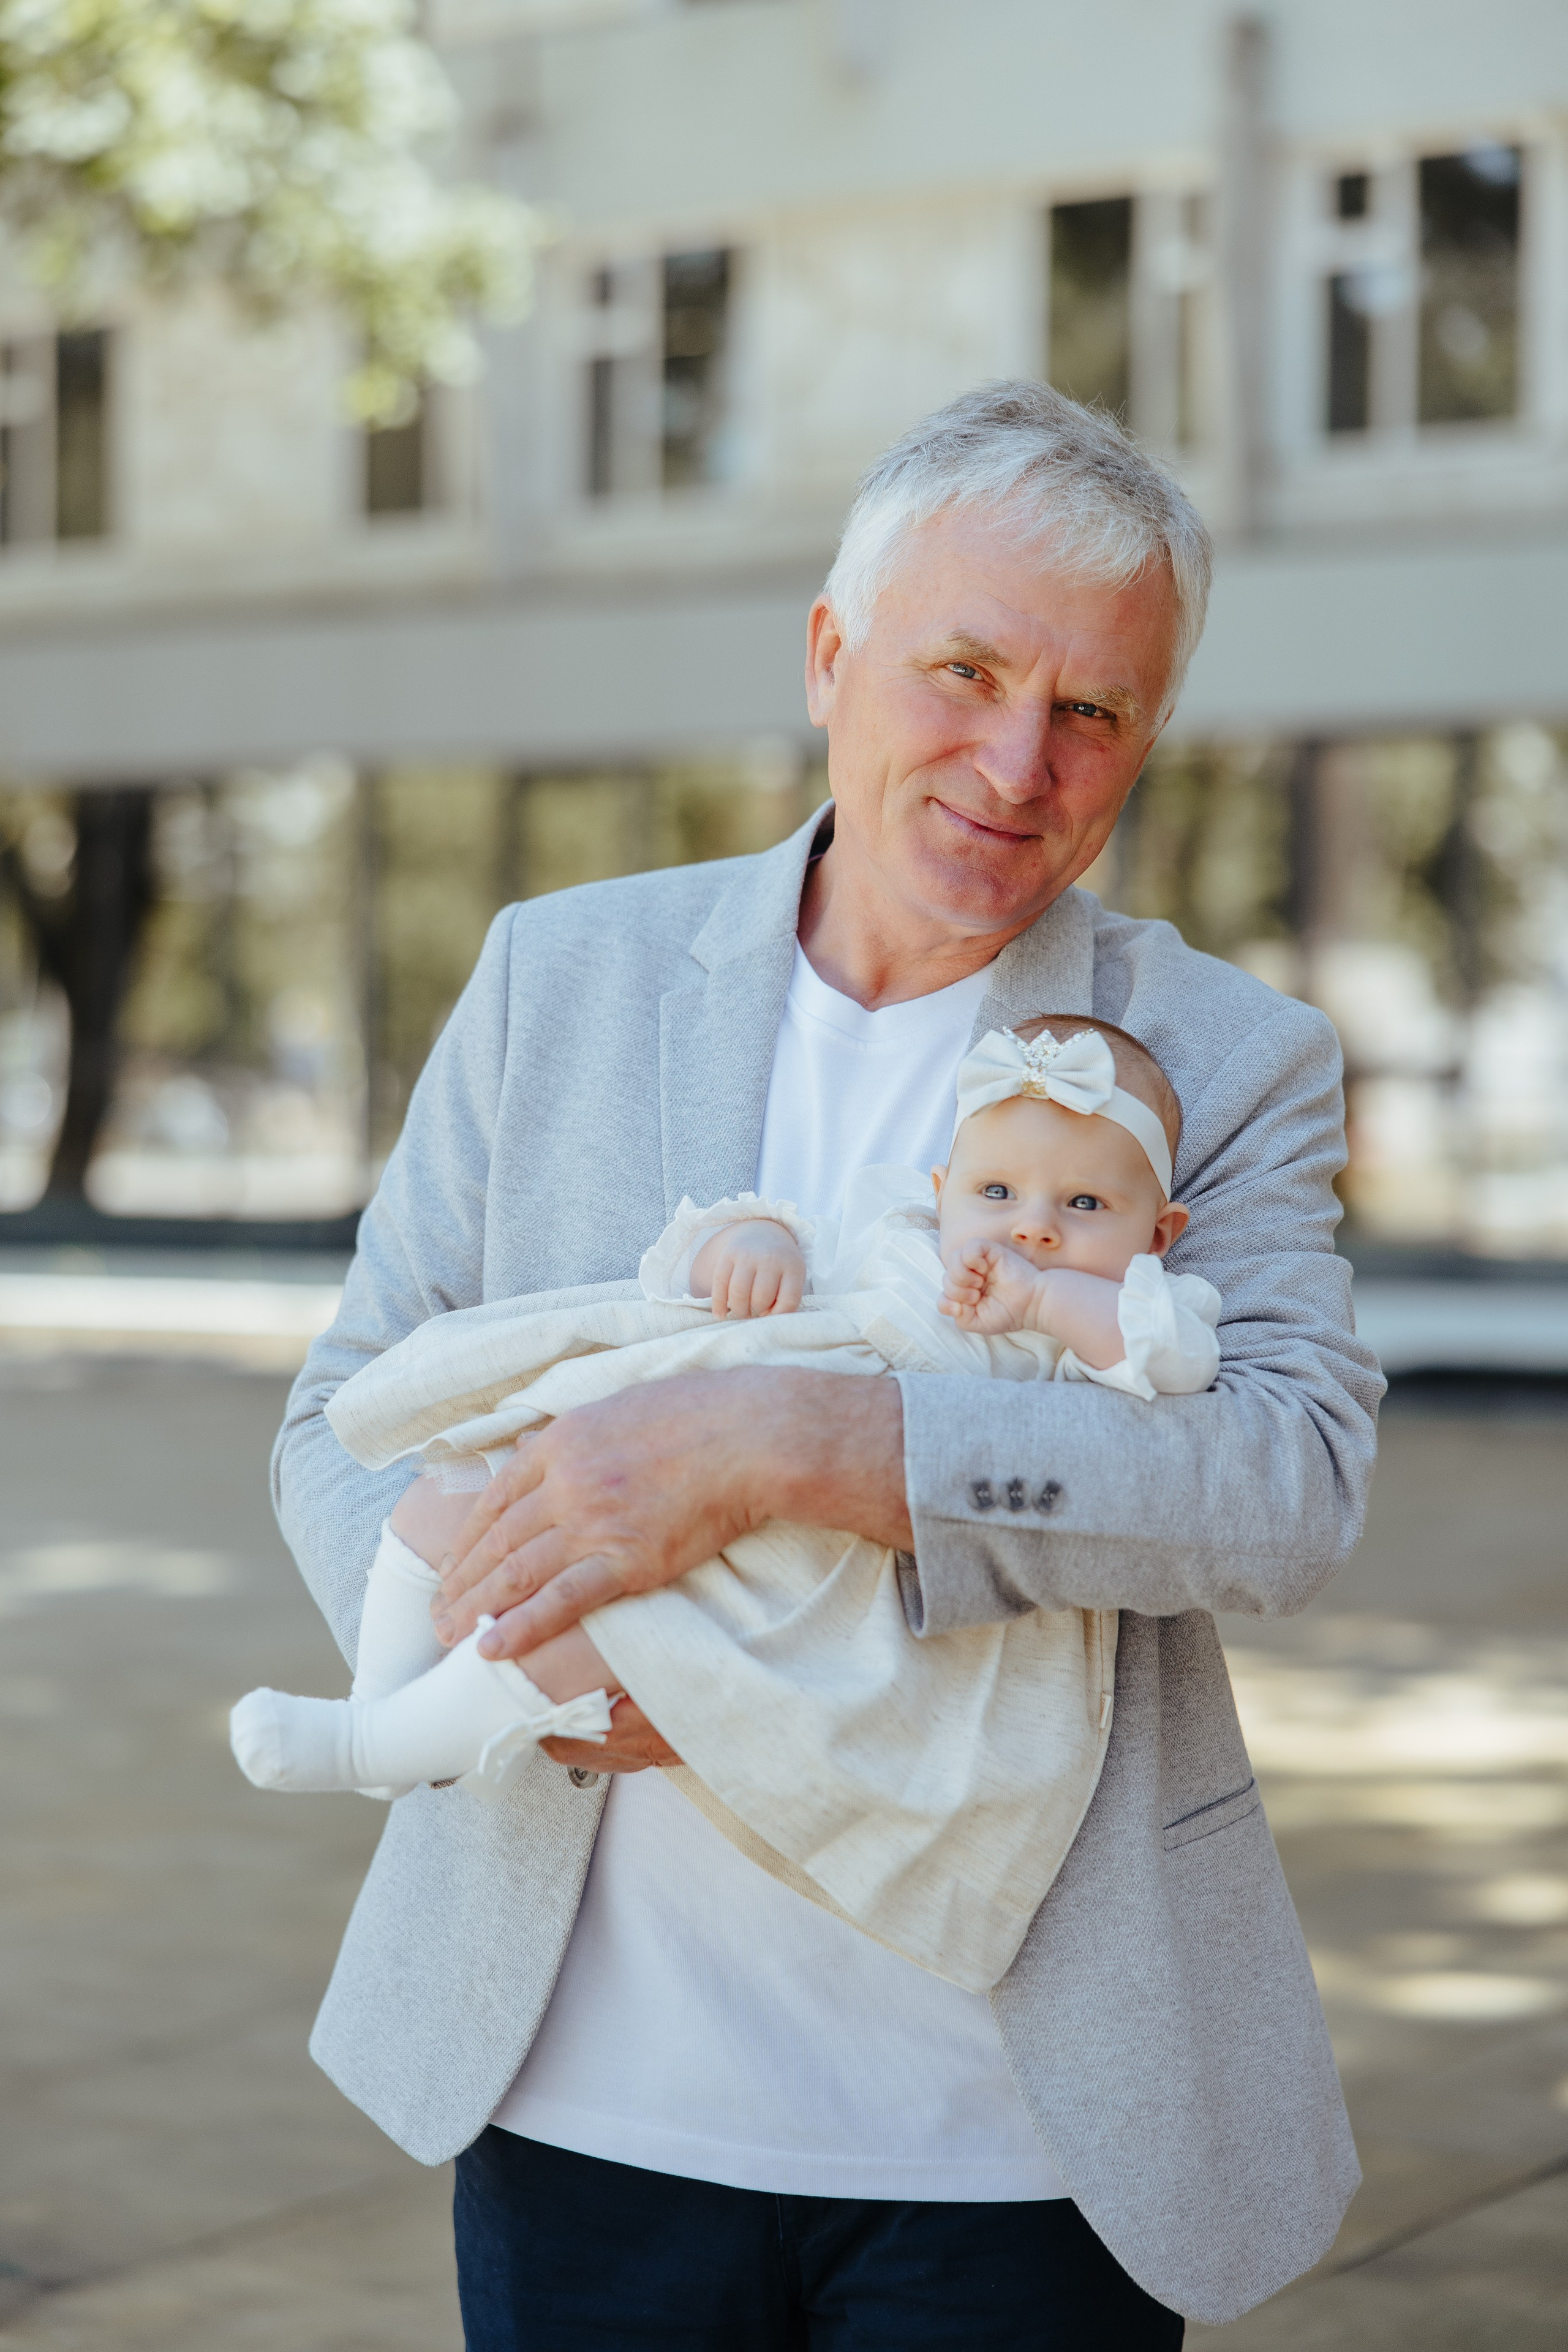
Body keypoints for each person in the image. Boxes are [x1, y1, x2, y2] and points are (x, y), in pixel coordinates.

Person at [273, 380, 1382, 2346]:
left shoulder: (1220, 1060)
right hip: (576, 2107)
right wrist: (506, 1645)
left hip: (1016, 2139)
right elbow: (346, 1400)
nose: (1016, 761)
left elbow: (1285, 1489)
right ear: (827, 656)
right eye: (962, 670)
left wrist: (809, 1438)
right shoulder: (563, 972)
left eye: (1093, 709)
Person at [235, 1016, 1218, 1996]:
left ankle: (376, 1746)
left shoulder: (1121, 1314)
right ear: (940, 1192)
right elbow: (747, 1252)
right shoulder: (898, 1243)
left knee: (599, 1636)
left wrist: (1045, 1301)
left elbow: (1175, 1371)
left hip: (806, 1540)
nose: (1032, 1227)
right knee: (448, 1496)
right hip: (649, 1427)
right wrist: (748, 1244)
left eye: (1085, 1203)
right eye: (995, 1193)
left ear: (1158, 1234)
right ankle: (383, 1699)